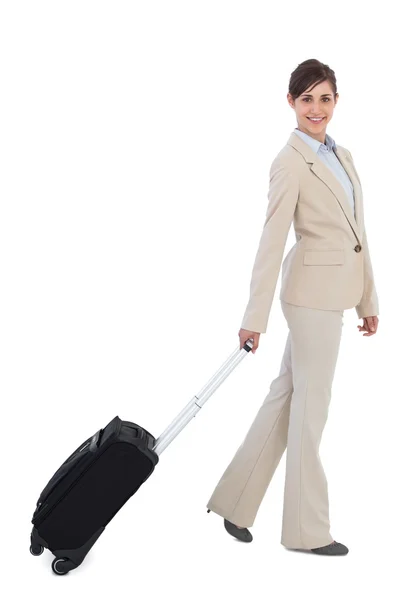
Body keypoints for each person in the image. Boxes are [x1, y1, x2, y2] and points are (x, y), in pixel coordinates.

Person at [206, 58, 379, 556]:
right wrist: (253, 319)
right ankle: (306, 531)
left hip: (336, 296)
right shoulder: (288, 162)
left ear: (336, 101)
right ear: (291, 103)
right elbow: (271, 239)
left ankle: (235, 503)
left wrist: (369, 299)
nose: (316, 108)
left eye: (325, 98)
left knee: (286, 396)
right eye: (307, 99)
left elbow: (358, 236)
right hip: (311, 301)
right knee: (310, 411)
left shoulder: (342, 156)